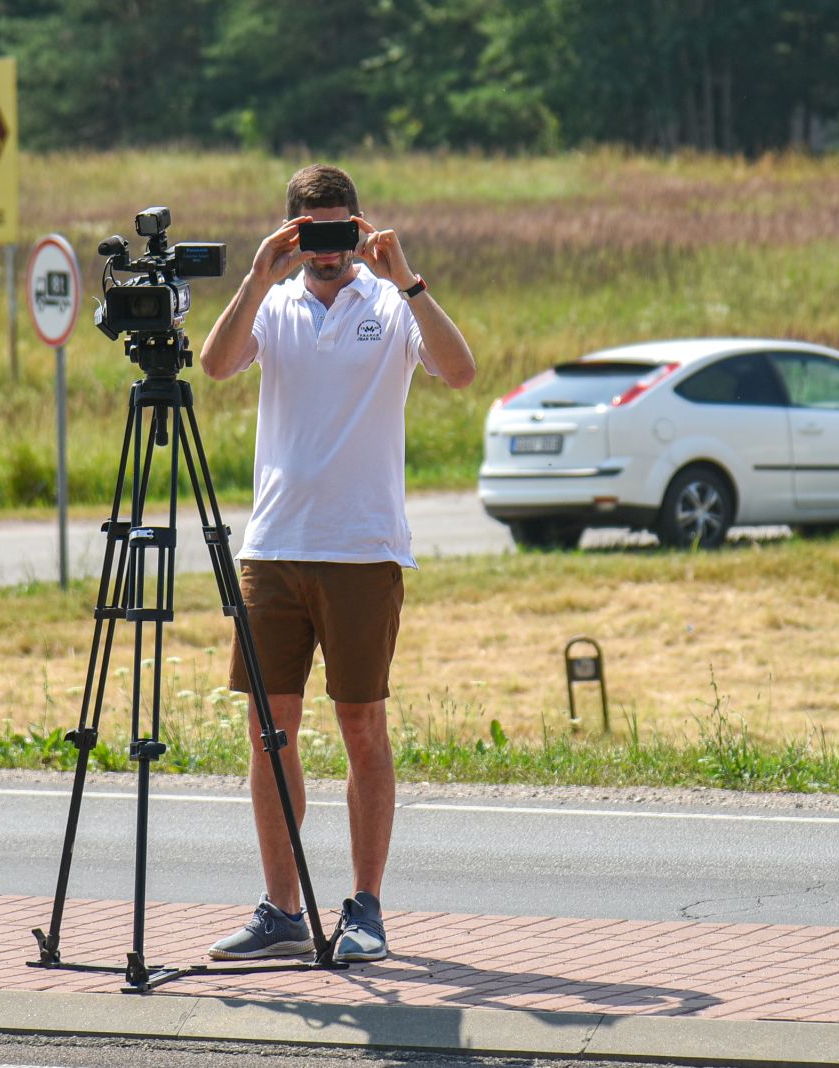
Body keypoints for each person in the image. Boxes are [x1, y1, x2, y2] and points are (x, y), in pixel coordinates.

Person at [198, 163, 476, 963]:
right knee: (270, 732)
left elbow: (460, 372)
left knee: (361, 723)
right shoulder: (273, 302)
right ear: (293, 230)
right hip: (274, 548)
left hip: (362, 547)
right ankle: (281, 910)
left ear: (360, 226)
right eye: (313, 232)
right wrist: (257, 275)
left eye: (341, 231)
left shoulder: (390, 304)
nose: (328, 250)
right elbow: (215, 365)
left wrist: (408, 280)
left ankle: (365, 909)